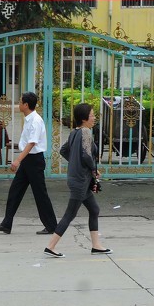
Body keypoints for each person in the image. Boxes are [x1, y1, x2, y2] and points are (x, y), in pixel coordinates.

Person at [44, 103, 110, 258]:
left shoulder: (74, 132)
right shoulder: (86, 132)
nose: (94, 118)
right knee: (70, 214)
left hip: (79, 179)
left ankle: (96, 245)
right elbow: (87, 155)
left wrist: (76, 163)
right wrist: (93, 168)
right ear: (84, 118)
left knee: (94, 210)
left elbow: (63, 150)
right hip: (81, 180)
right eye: (92, 115)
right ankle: (51, 245)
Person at [0, 91, 58, 235]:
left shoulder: (35, 121)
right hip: (28, 161)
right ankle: (7, 224)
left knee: (40, 194)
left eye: (20, 102)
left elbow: (32, 143)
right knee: (15, 191)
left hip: (34, 161)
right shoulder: (29, 119)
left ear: (26, 105)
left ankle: (52, 226)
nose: (19, 104)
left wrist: (17, 160)